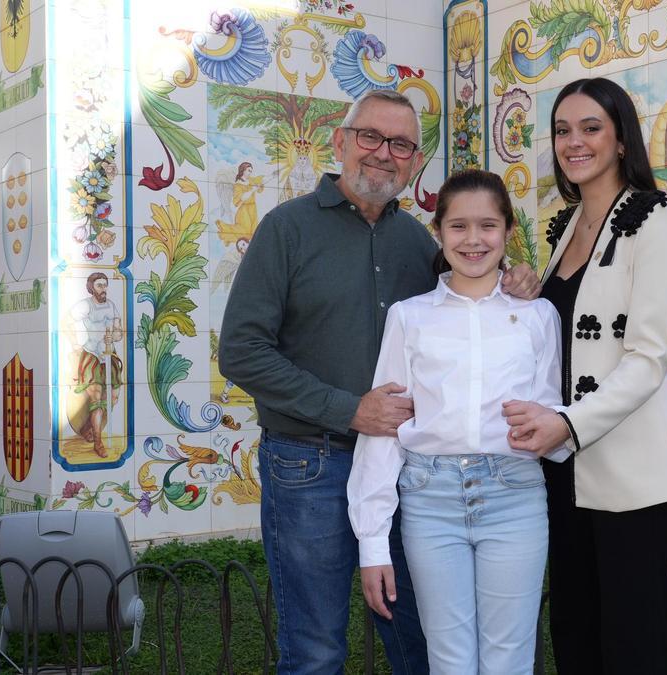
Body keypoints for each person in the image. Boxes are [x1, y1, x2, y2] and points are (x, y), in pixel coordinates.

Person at [219, 88, 540, 675]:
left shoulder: (417, 242)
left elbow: (465, 303)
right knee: (316, 646)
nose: (383, 153)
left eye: (401, 144)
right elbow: (241, 352)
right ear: (340, 141)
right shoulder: (287, 229)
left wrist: (517, 282)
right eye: (370, 136)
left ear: (414, 162)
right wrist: (348, 409)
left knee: (420, 638)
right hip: (308, 462)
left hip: (410, 473)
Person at [502, 77, 667, 674]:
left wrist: (566, 424)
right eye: (562, 130)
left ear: (621, 140)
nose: (574, 142)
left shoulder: (660, 217)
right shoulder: (564, 227)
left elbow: (648, 357)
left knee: (634, 646)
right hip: (564, 470)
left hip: (632, 469)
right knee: (576, 634)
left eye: (591, 128)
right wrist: (525, 297)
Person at [348, 168, 566, 674]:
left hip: (514, 497)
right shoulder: (409, 316)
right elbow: (385, 429)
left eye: (487, 225)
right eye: (458, 226)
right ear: (439, 231)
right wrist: (373, 542)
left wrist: (547, 425)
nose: (473, 240)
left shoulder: (538, 316)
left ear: (508, 230)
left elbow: (553, 420)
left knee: (509, 659)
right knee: (449, 659)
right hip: (430, 500)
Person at [66, 271, 123, 458]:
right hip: (92, 355)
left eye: (105, 285)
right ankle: (98, 443)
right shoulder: (85, 305)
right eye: (99, 285)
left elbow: (119, 332)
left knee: (112, 398)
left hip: (109, 355)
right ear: (92, 288)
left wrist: (114, 337)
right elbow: (67, 321)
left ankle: (88, 428)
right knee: (96, 399)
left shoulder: (112, 306)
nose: (103, 289)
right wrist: (75, 345)